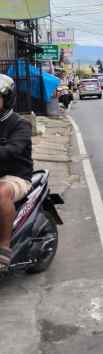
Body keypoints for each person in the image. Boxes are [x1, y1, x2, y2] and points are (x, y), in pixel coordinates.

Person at [0, 75, 33, 269]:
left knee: (1, 191)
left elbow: (13, 150)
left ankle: (4, 246)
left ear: (7, 98)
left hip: (16, 177)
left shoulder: (20, 124)